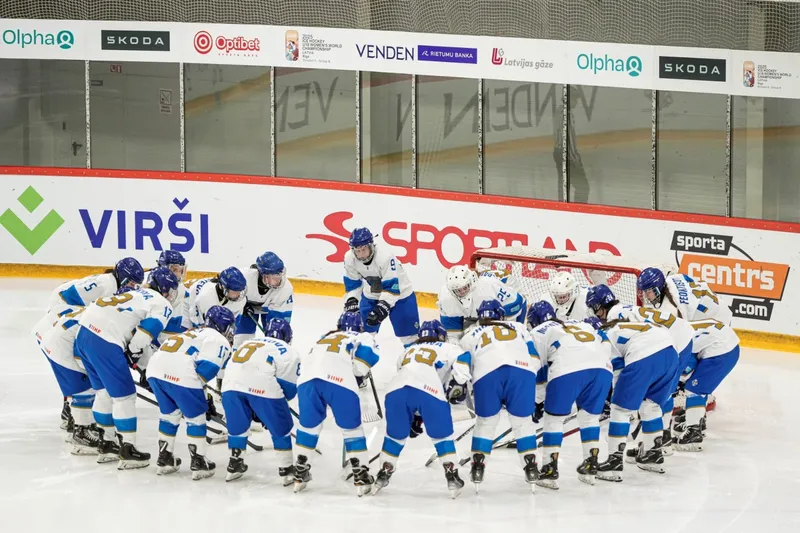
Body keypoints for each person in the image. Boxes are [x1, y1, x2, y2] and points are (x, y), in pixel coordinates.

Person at [73, 266, 179, 469]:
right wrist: (134, 352)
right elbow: (144, 335)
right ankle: (128, 450)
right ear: (166, 288)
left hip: (83, 335)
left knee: (103, 392)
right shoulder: (161, 303)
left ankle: (107, 444)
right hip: (105, 339)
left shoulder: (131, 292)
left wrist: (134, 354)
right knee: (124, 397)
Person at [32, 257, 144, 431]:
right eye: (130, 282)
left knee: (79, 370)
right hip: (59, 320)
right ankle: (73, 412)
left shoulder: (116, 286)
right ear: (122, 277)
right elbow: (64, 296)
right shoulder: (105, 285)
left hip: (61, 325)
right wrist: (70, 316)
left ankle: (72, 410)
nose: (133, 287)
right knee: (80, 368)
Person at [586, 284, 693, 455]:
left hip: (674, 341)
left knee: (642, 400)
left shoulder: (614, 317)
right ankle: (654, 446)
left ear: (600, 307)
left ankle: (660, 439)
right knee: (653, 400)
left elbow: (627, 357)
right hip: (672, 342)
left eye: (596, 310)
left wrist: (621, 398)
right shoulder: (623, 309)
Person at [373, 320, 471, 498]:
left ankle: (384, 471)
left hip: (395, 392)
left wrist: (415, 415)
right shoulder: (449, 347)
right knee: (442, 438)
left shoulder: (407, 351)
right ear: (441, 335)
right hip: (430, 392)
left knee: (395, 437)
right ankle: (452, 475)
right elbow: (464, 360)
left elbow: (409, 378)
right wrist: (459, 382)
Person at [293, 311, 381, 496]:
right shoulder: (364, 336)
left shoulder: (324, 337)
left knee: (309, 427)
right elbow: (362, 366)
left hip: (307, 382)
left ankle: (300, 470)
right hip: (339, 381)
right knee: (352, 430)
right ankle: (360, 474)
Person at [527, 301, 613, 488]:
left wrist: (538, 402)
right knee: (589, 419)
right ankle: (591, 465)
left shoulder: (537, 332)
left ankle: (549, 470)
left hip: (568, 368)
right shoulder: (579, 323)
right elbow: (605, 341)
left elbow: (540, 372)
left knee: (553, 420)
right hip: (603, 368)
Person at [460, 300, 541, 492]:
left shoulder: (470, 334)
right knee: (523, 423)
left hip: (487, 374)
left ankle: (478, 465)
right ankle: (530, 467)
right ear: (502, 316)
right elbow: (535, 359)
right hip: (522, 372)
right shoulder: (520, 327)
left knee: (486, 423)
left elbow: (464, 366)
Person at [146, 305, 235, 480]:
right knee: (196, 417)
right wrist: (202, 401)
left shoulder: (193, 332)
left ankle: (165, 458)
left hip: (154, 370)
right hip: (181, 374)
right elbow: (205, 371)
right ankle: (199, 461)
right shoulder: (218, 339)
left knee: (169, 415)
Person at [592, 319, 678, 481]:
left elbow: (616, 373)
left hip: (645, 355)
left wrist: (615, 400)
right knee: (651, 405)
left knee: (619, 409)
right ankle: (653, 454)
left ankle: (614, 462)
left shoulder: (602, 337)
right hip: (671, 355)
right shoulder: (626, 328)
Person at [221, 318, 301, 484]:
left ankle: (235, 463)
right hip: (263, 388)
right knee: (282, 425)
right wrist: (266, 410)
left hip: (230, 385)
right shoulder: (288, 350)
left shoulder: (248, 342)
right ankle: (286, 469)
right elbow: (289, 390)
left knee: (237, 425)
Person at [38, 305, 100, 455]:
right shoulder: (102, 321)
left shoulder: (98, 310)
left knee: (84, 384)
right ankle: (81, 434)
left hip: (51, 339)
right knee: (85, 387)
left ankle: (77, 422)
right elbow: (80, 351)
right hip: (61, 345)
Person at [343, 228, 419, 347]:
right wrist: (352, 301)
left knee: (409, 338)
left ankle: (414, 362)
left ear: (371, 246)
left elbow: (392, 287)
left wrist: (382, 308)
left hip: (401, 295)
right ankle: (359, 362)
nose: (361, 254)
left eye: (364, 249)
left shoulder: (385, 257)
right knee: (361, 334)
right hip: (371, 294)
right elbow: (353, 285)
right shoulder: (349, 259)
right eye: (358, 251)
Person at [673, 319, 739, 451]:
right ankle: (698, 421)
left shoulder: (682, 342)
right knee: (697, 386)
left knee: (694, 390)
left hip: (721, 353)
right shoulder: (684, 329)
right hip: (728, 346)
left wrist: (676, 383)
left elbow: (687, 367)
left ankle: (693, 434)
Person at [439, 265, 527, 343]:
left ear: (472, 281)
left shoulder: (488, 289)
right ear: (451, 290)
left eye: (465, 287)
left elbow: (519, 303)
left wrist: (478, 325)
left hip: (508, 290)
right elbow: (453, 336)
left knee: (503, 337)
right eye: (458, 290)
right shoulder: (446, 298)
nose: (462, 292)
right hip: (477, 309)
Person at [233, 251, 295, 348]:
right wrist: (240, 304)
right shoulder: (244, 278)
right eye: (274, 277)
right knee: (241, 342)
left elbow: (279, 320)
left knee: (276, 337)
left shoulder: (286, 289)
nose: (279, 280)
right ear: (263, 275)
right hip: (246, 308)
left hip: (270, 308)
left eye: (280, 275)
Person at [637, 268, 732, 325]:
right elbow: (690, 280)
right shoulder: (673, 278)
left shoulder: (670, 309)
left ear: (658, 288)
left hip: (718, 319)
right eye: (644, 291)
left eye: (648, 291)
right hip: (717, 305)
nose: (645, 295)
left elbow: (680, 335)